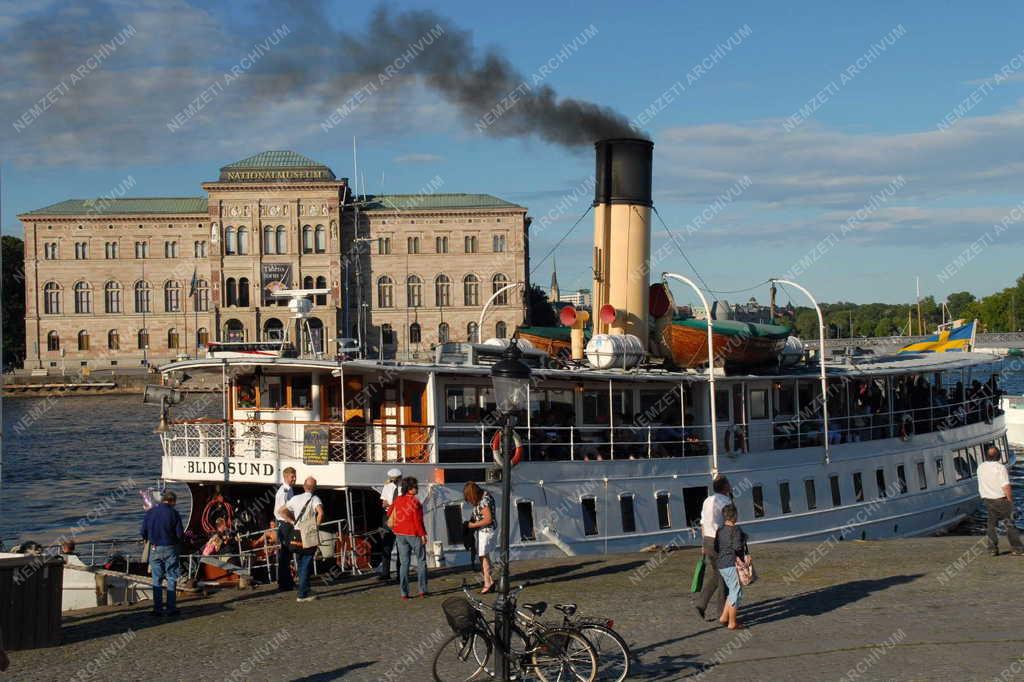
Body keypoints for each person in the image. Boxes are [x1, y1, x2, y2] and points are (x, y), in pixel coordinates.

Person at [279, 477, 324, 602]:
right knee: (306, 563)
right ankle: (302, 594)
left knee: (300, 562)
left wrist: (292, 522)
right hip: (308, 533)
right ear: (314, 488)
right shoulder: (315, 499)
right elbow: (320, 513)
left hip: (296, 533)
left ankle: (305, 588)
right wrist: (315, 526)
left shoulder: (295, 498)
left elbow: (281, 511)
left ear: (304, 486)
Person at [140, 489, 184, 617]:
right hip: (170, 548)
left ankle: (157, 609)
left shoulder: (151, 512)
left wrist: (148, 538)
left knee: (156, 579)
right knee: (171, 577)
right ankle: (171, 608)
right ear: (172, 501)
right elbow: (180, 534)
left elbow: (143, 531)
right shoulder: (174, 513)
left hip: (155, 548)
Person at [694, 475, 731, 622]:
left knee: (717, 574)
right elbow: (730, 524)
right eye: (728, 483)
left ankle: (701, 604)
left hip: (708, 541)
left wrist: (703, 544)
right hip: (720, 542)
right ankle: (722, 614)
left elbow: (703, 523)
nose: (730, 485)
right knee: (725, 577)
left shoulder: (707, 500)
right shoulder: (726, 501)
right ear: (724, 487)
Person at [978, 446, 1023, 556]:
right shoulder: (1000, 468)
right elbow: (1006, 486)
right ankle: (1017, 548)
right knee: (1009, 523)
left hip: (988, 499)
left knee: (991, 525)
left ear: (986, 456)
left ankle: (992, 549)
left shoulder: (980, 467)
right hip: (1001, 499)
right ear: (998, 456)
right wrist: (1010, 500)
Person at [389, 477, 429, 599]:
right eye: (415, 487)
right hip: (414, 534)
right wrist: (423, 534)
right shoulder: (415, 501)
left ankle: (404, 593)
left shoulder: (398, 499)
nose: (417, 489)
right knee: (421, 562)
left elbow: (389, 512)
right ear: (410, 489)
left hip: (400, 534)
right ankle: (422, 590)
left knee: (404, 564)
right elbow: (418, 520)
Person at [714, 504, 748, 629]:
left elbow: (716, 547)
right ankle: (732, 623)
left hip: (721, 563)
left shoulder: (720, 530)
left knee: (731, 591)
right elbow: (738, 547)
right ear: (735, 516)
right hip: (731, 563)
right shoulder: (736, 530)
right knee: (736, 592)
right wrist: (744, 539)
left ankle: (724, 617)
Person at [464, 481, 496, 593]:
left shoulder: (483, 502)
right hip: (487, 531)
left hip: (485, 531)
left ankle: (487, 582)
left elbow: (488, 519)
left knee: (483, 556)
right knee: (484, 556)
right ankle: (489, 580)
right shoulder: (486, 495)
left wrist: (473, 525)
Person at [273, 467, 297, 591]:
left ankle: (288, 581)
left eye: (295, 476)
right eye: (292, 476)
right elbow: (281, 512)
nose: (294, 478)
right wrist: (292, 521)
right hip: (284, 524)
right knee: (284, 554)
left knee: (287, 554)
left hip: (287, 524)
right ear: (286, 477)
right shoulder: (283, 492)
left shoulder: (290, 490)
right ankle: (283, 583)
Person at [377, 468, 403, 582]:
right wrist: (393, 504)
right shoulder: (387, 487)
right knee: (386, 544)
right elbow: (383, 503)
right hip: (388, 517)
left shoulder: (404, 488)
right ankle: (385, 572)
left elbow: (402, 503)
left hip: (401, 517)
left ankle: (399, 574)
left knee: (400, 546)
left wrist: (391, 503)